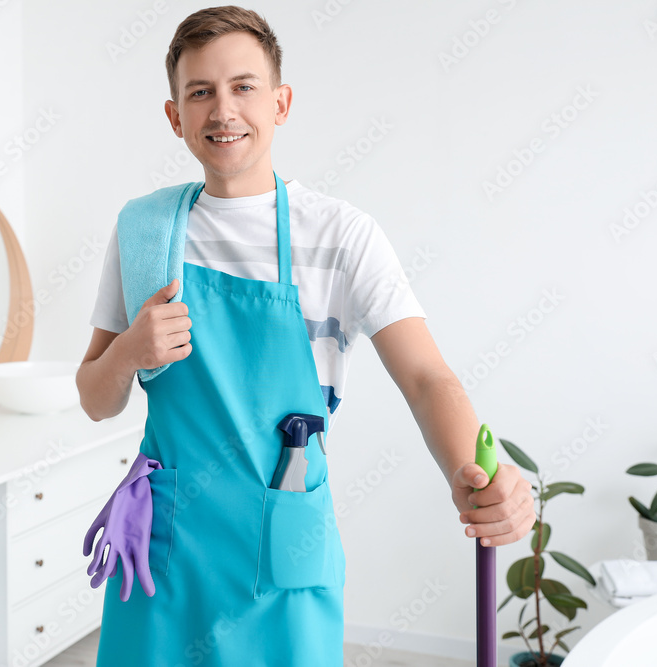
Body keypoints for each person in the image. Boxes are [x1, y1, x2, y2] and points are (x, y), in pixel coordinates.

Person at [77, 5, 534, 665]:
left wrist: (477, 477)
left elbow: (428, 378)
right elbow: (95, 396)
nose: (222, 109)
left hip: (283, 540)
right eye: (199, 92)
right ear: (175, 116)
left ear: (281, 102)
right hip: (166, 549)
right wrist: (127, 352)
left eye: (244, 87)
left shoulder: (341, 235)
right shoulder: (145, 232)